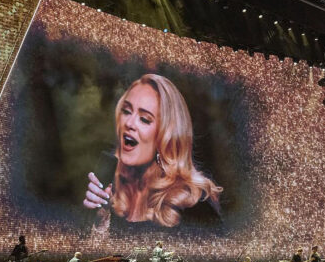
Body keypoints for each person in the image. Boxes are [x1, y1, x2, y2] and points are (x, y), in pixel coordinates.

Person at [83, 74, 223, 232]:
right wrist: (99, 221)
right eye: (127, 111)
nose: (129, 123)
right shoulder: (109, 192)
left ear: (166, 136)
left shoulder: (195, 206)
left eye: (144, 119)